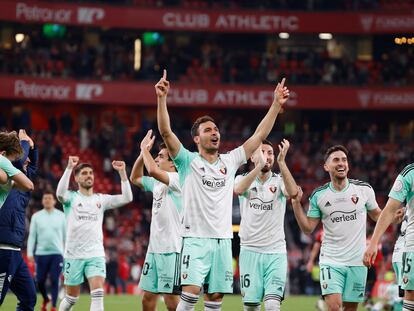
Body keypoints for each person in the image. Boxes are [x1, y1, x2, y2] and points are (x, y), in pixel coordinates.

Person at [156, 69, 289, 311]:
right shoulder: (188, 161)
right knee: (191, 292)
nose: (214, 132)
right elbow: (166, 133)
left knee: (216, 296)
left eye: (215, 129)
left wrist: (275, 105)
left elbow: (259, 135)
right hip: (195, 238)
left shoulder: (229, 161)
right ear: (196, 139)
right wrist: (162, 99)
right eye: (207, 130)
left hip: (223, 240)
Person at [291, 145, 382, 311]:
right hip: (331, 260)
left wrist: (393, 216)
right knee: (334, 307)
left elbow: (377, 215)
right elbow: (308, 228)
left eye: (344, 160)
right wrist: (296, 204)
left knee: (350, 309)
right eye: (336, 160)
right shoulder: (319, 195)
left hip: (358, 261)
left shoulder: (364, 189)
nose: (341, 163)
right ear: (326, 166)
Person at [56, 156, 133, 311]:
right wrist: (69, 168)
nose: (89, 175)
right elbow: (59, 194)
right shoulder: (71, 197)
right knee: (71, 298)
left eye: (91, 173)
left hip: (95, 254)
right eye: (84, 173)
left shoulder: (101, 199)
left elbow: (127, 198)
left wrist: (123, 173)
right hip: (73, 254)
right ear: (76, 178)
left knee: (97, 294)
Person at [234, 139, 298, 311]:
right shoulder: (242, 179)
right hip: (249, 251)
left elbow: (292, 193)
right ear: (252, 157)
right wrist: (257, 168)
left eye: (270, 153)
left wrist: (282, 163)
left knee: (271, 305)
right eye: (262, 152)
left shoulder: (279, 181)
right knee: (251, 307)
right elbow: (239, 190)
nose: (267, 157)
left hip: (275, 251)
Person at [130, 130, 182, 311]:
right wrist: (141, 154)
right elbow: (135, 178)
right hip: (154, 249)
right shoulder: (157, 184)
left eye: (160, 156)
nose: (157, 159)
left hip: (172, 249)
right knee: (147, 299)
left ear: (173, 163)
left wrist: (144, 149)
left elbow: (151, 169)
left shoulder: (178, 179)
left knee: (172, 303)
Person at [364, 163, 414, 311]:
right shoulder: (410, 173)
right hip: (412, 246)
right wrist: (373, 243)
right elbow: (389, 210)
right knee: (410, 297)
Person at [0, 130, 37, 310]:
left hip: (15, 250)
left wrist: (32, 147)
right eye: (23, 157)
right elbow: (12, 163)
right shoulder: (6, 173)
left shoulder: (17, 185)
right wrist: (23, 143)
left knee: (29, 298)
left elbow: (30, 175)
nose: (26, 160)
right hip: (3, 247)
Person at [27, 192, 66, 311]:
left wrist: (66, 253)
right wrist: (29, 253)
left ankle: (53, 306)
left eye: (50, 198)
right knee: (39, 281)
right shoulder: (36, 216)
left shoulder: (62, 216)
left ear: (54, 201)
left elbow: (66, 237)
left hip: (57, 254)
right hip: (41, 254)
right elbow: (32, 236)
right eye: (45, 198)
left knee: (55, 279)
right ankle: (45, 298)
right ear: (42, 201)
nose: (47, 200)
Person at [0, 130, 34, 204]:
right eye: (13, 160)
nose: (11, 165)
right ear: (3, 153)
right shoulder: (2, 160)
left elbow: (4, 179)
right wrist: (25, 141)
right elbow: (30, 186)